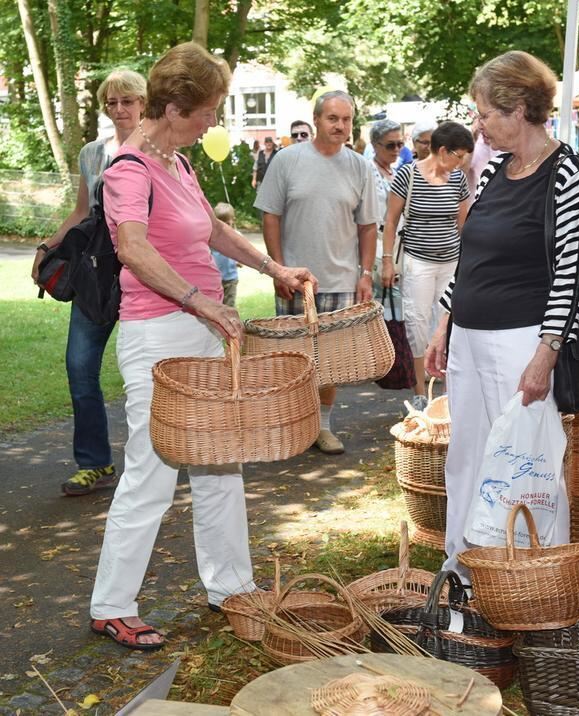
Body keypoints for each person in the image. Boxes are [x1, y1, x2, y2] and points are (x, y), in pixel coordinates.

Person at [88, 42, 316, 650]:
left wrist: (274, 268)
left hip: (202, 327)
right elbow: (132, 249)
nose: (214, 121)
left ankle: (232, 587)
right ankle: (112, 604)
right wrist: (198, 299)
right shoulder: (129, 168)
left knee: (221, 462)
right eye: (208, 110)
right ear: (173, 107)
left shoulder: (178, 163)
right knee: (152, 471)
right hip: (159, 335)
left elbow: (212, 230)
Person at [424, 51, 579, 583]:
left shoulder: (567, 173)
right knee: (467, 456)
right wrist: (444, 323)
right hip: (470, 337)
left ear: (519, 108)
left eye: (485, 114)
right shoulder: (495, 167)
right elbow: (471, 253)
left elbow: (574, 275)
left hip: (523, 340)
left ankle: (534, 575)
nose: (478, 125)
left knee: (525, 465)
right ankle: (465, 567)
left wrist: (545, 356)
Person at [31, 69, 147, 497]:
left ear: (143, 104)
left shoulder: (157, 149)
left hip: (146, 274)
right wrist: (47, 246)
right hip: (97, 274)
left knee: (149, 370)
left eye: (127, 101)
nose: (119, 110)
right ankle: (95, 464)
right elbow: (82, 211)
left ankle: (160, 458)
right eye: (111, 103)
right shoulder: (92, 153)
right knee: (80, 366)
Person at [256, 90, 380, 455]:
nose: (340, 126)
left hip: (340, 278)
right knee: (294, 358)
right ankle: (294, 427)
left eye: (346, 120)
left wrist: (366, 272)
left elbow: (368, 226)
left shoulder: (360, 166)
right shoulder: (286, 160)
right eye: (333, 118)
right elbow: (270, 216)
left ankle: (323, 427)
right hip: (294, 280)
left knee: (329, 362)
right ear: (316, 120)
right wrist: (278, 270)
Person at [382, 121, 473, 410]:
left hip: (451, 263)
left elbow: (464, 226)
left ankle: (449, 392)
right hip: (418, 262)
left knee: (449, 327)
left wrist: (471, 263)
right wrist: (387, 262)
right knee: (417, 326)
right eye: (459, 156)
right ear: (443, 151)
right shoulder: (407, 175)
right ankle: (420, 392)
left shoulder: (457, 179)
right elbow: (391, 221)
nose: (462, 162)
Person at [211, 202, 240, 307]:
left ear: (233, 220)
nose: (224, 227)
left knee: (229, 305)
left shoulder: (236, 236)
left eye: (227, 223)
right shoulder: (212, 236)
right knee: (216, 306)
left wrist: (238, 261)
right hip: (215, 280)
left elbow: (241, 252)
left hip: (231, 278)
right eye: (220, 223)